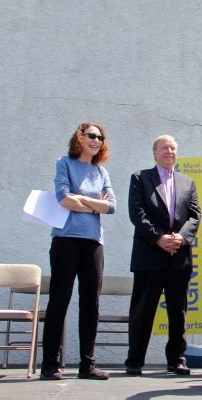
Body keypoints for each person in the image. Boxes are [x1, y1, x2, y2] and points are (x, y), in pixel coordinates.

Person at [41, 122, 116, 381]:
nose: (96, 140)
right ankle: (50, 364)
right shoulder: (64, 163)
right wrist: (96, 205)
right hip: (66, 240)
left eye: (100, 137)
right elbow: (63, 198)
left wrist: (81, 200)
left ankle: (87, 365)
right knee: (60, 300)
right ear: (80, 138)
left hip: (94, 242)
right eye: (91, 135)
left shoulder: (101, 171)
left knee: (90, 303)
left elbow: (112, 207)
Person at [125, 135, 200, 376]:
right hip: (149, 255)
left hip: (178, 256)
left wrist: (181, 237)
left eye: (173, 147)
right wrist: (159, 237)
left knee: (178, 312)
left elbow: (195, 216)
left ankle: (177, 359)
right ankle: (135, 361)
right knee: (143, 310)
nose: (169, 151)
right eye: (164, 148)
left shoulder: (188, 182)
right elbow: (137, 213)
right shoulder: (140, 178)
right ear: (154, 153)